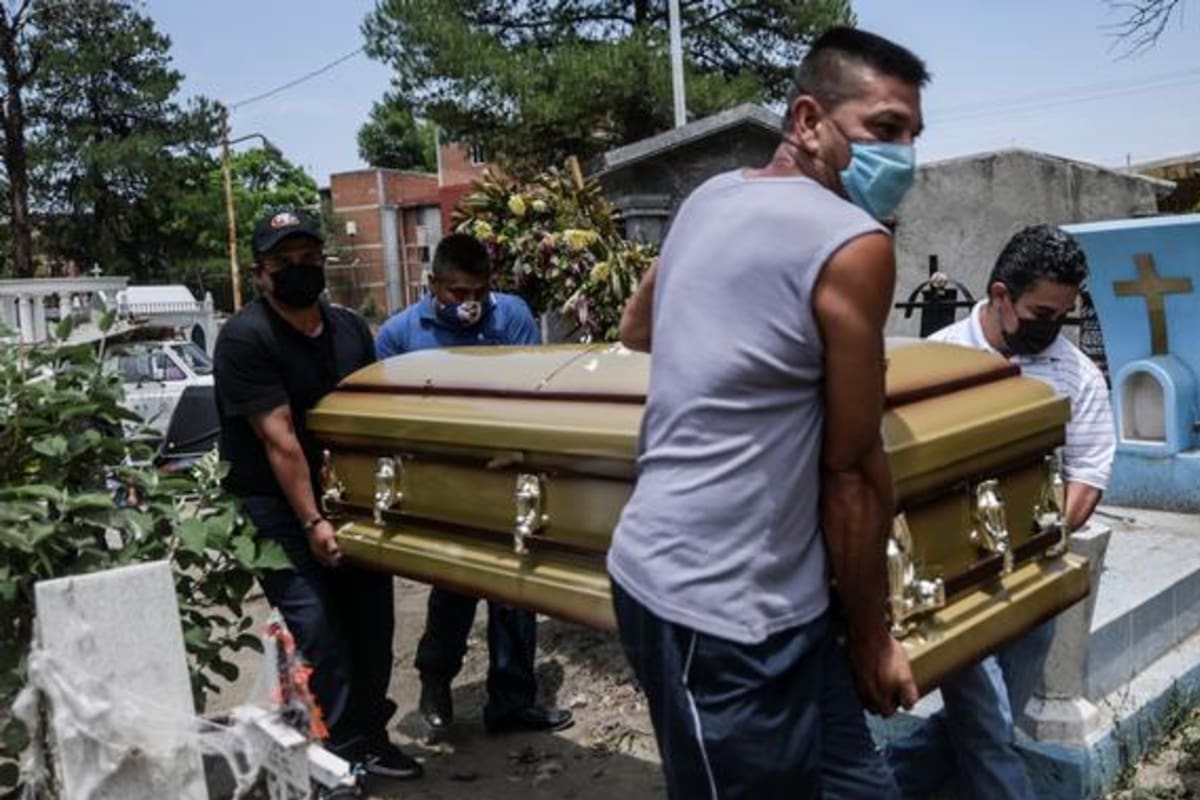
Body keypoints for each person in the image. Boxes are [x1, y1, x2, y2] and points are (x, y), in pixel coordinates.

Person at [609, 26, 928, 799]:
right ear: (808, 120)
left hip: (771, 592)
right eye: (886, 129)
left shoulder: (710, 198)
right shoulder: (855, 243)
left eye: (913, 136)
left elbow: (636, 327)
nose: (904, 158)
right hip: (717, 612)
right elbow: (851, 470)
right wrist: (875, 639)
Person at [886, 224, 1116, 799]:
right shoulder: (937, 361)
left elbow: (1087, 478)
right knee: (988, 726)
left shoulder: (1077, 375)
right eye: (1041, 313)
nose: (1052, 327)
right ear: (1000, 296)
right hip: (955, 584)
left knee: (990, 719)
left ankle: (881, 783)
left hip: (1033, 576)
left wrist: (1029, 536)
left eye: (1063, 315)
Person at [213, 209, 423, 788]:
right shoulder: (246, 338)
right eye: (284, 262)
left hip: (345, 498)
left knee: (372, 625)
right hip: (276, 509)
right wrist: (312, 521)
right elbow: (279, 439)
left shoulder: (349, 329)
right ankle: (338, 756)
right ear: (260, 273)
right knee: (319, 630)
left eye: (309, 258)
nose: (300, 269)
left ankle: (369, 737)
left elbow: (371, 415)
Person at [375, 232, 574, 736]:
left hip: (506, 471)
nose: (469, 303)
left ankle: (511, 702)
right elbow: (386, 415)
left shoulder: (512, 317)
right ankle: (435, 683)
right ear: (433, 285)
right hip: (443, 480)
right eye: (457, 293)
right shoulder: (400, 335)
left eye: (478, 293)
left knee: (516, 587)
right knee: (454, 584)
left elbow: (536, 391)